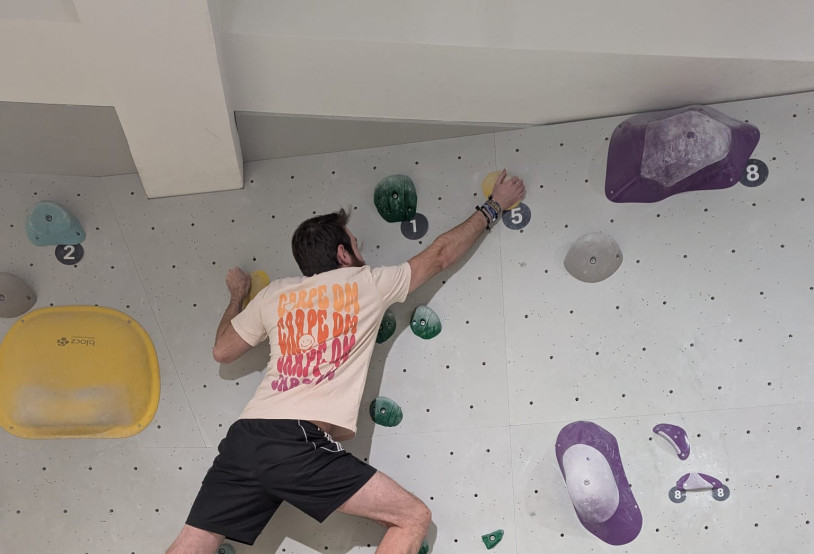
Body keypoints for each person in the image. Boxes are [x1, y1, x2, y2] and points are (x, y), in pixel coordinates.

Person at [167, 170, 526, 554]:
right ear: (343, 254)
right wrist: (494, 205)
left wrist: (237, 296)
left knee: (194, 542)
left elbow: (222, 350)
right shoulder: (365, 282)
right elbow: (439, 256)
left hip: (245, 437)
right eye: (356, 244)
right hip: (296, 441)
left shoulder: (275, 294)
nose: (362, 252)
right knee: (412, 516)